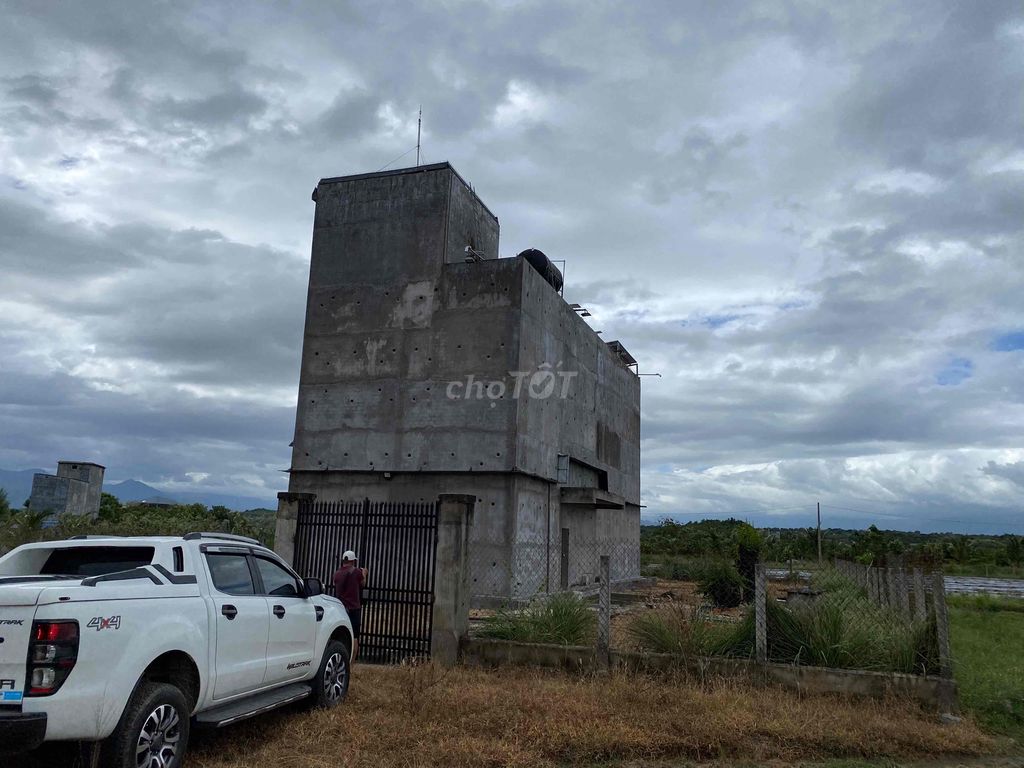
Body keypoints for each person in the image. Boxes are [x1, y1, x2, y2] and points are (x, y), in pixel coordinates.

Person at [332, 550, 367, 660]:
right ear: (352, 561)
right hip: (354, 609)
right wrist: (364, 574)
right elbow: (363, 584)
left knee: (342, 634)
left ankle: (342, 659)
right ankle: (352, 663)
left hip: (341, 609)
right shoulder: (356, 572)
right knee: (355, 636)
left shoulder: (336, 574)